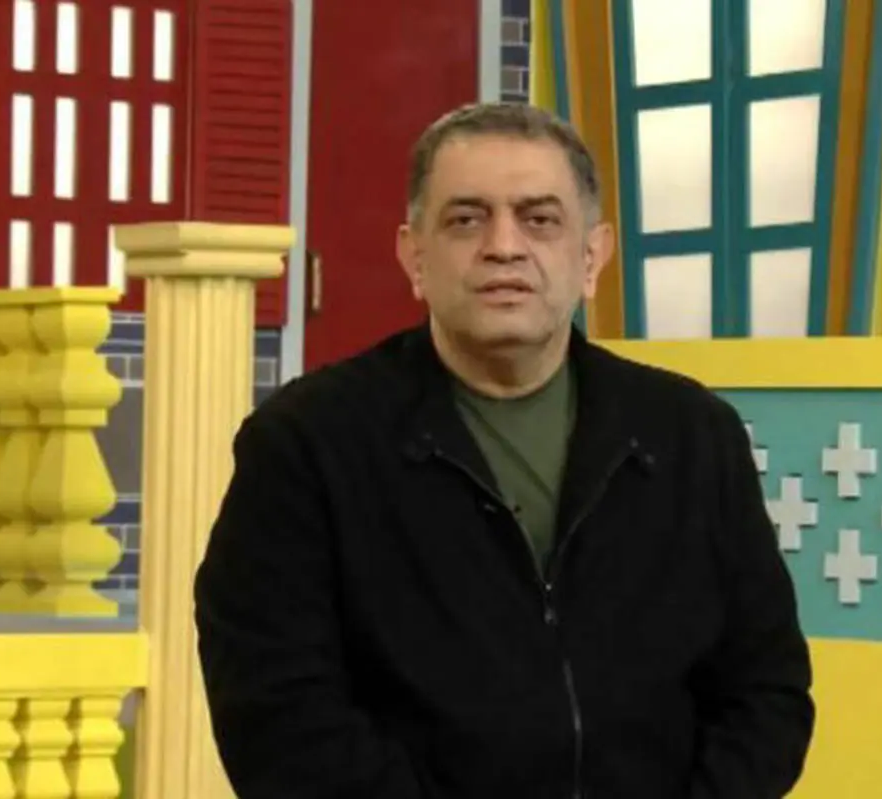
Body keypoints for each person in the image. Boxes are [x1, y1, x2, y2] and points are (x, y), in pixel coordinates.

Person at [194, 102, 815, 799]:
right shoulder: (306, 444)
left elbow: (766, 691)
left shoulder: (693, 436)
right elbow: (277, 714)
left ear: (592, 256)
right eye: (466, 219)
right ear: (414, 255)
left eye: (539, 219)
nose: (504, 246)